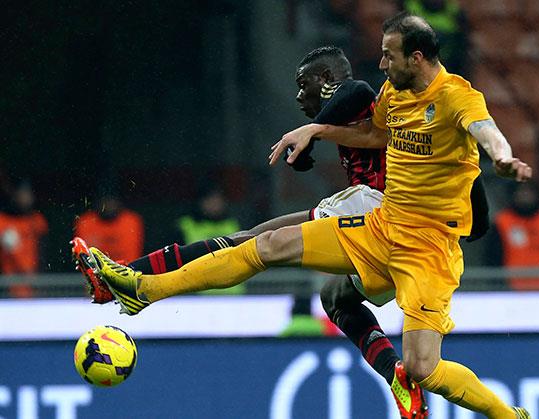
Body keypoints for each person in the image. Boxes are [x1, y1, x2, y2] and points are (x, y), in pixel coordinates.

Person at [75, 40, 494, 418]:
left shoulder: (365, 100)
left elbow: (355, 91)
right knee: (335, 300)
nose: (298, 96)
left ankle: (133, 282)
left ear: (326, 79)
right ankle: (395, 375)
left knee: (254, 241)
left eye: (304, 85)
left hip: (378, 212)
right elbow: (471, 190)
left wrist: (313, 132)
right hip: (399, 242)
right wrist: (468, 225)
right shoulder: (408, 133)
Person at [0, 180, 48, 297]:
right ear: (15, 194)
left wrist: (41, 281)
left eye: (29, 194)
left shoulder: (37, 220)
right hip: (8, 286)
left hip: (33, 285)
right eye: (23, 193)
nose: (27, 198)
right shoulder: (2, 221)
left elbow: (43, 254)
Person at [74, 194, 144, 263]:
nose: (108, 206)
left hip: (127, 267)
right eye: (104, 202)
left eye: (111, 202)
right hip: (95, 268)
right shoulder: (85, 223)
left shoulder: (131, 221)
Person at [176, 188, 241, 245]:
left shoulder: (232, 223)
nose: (215, 204)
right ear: (201, 201)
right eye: (210, 200)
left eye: (218, 200)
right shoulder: (185, 224)